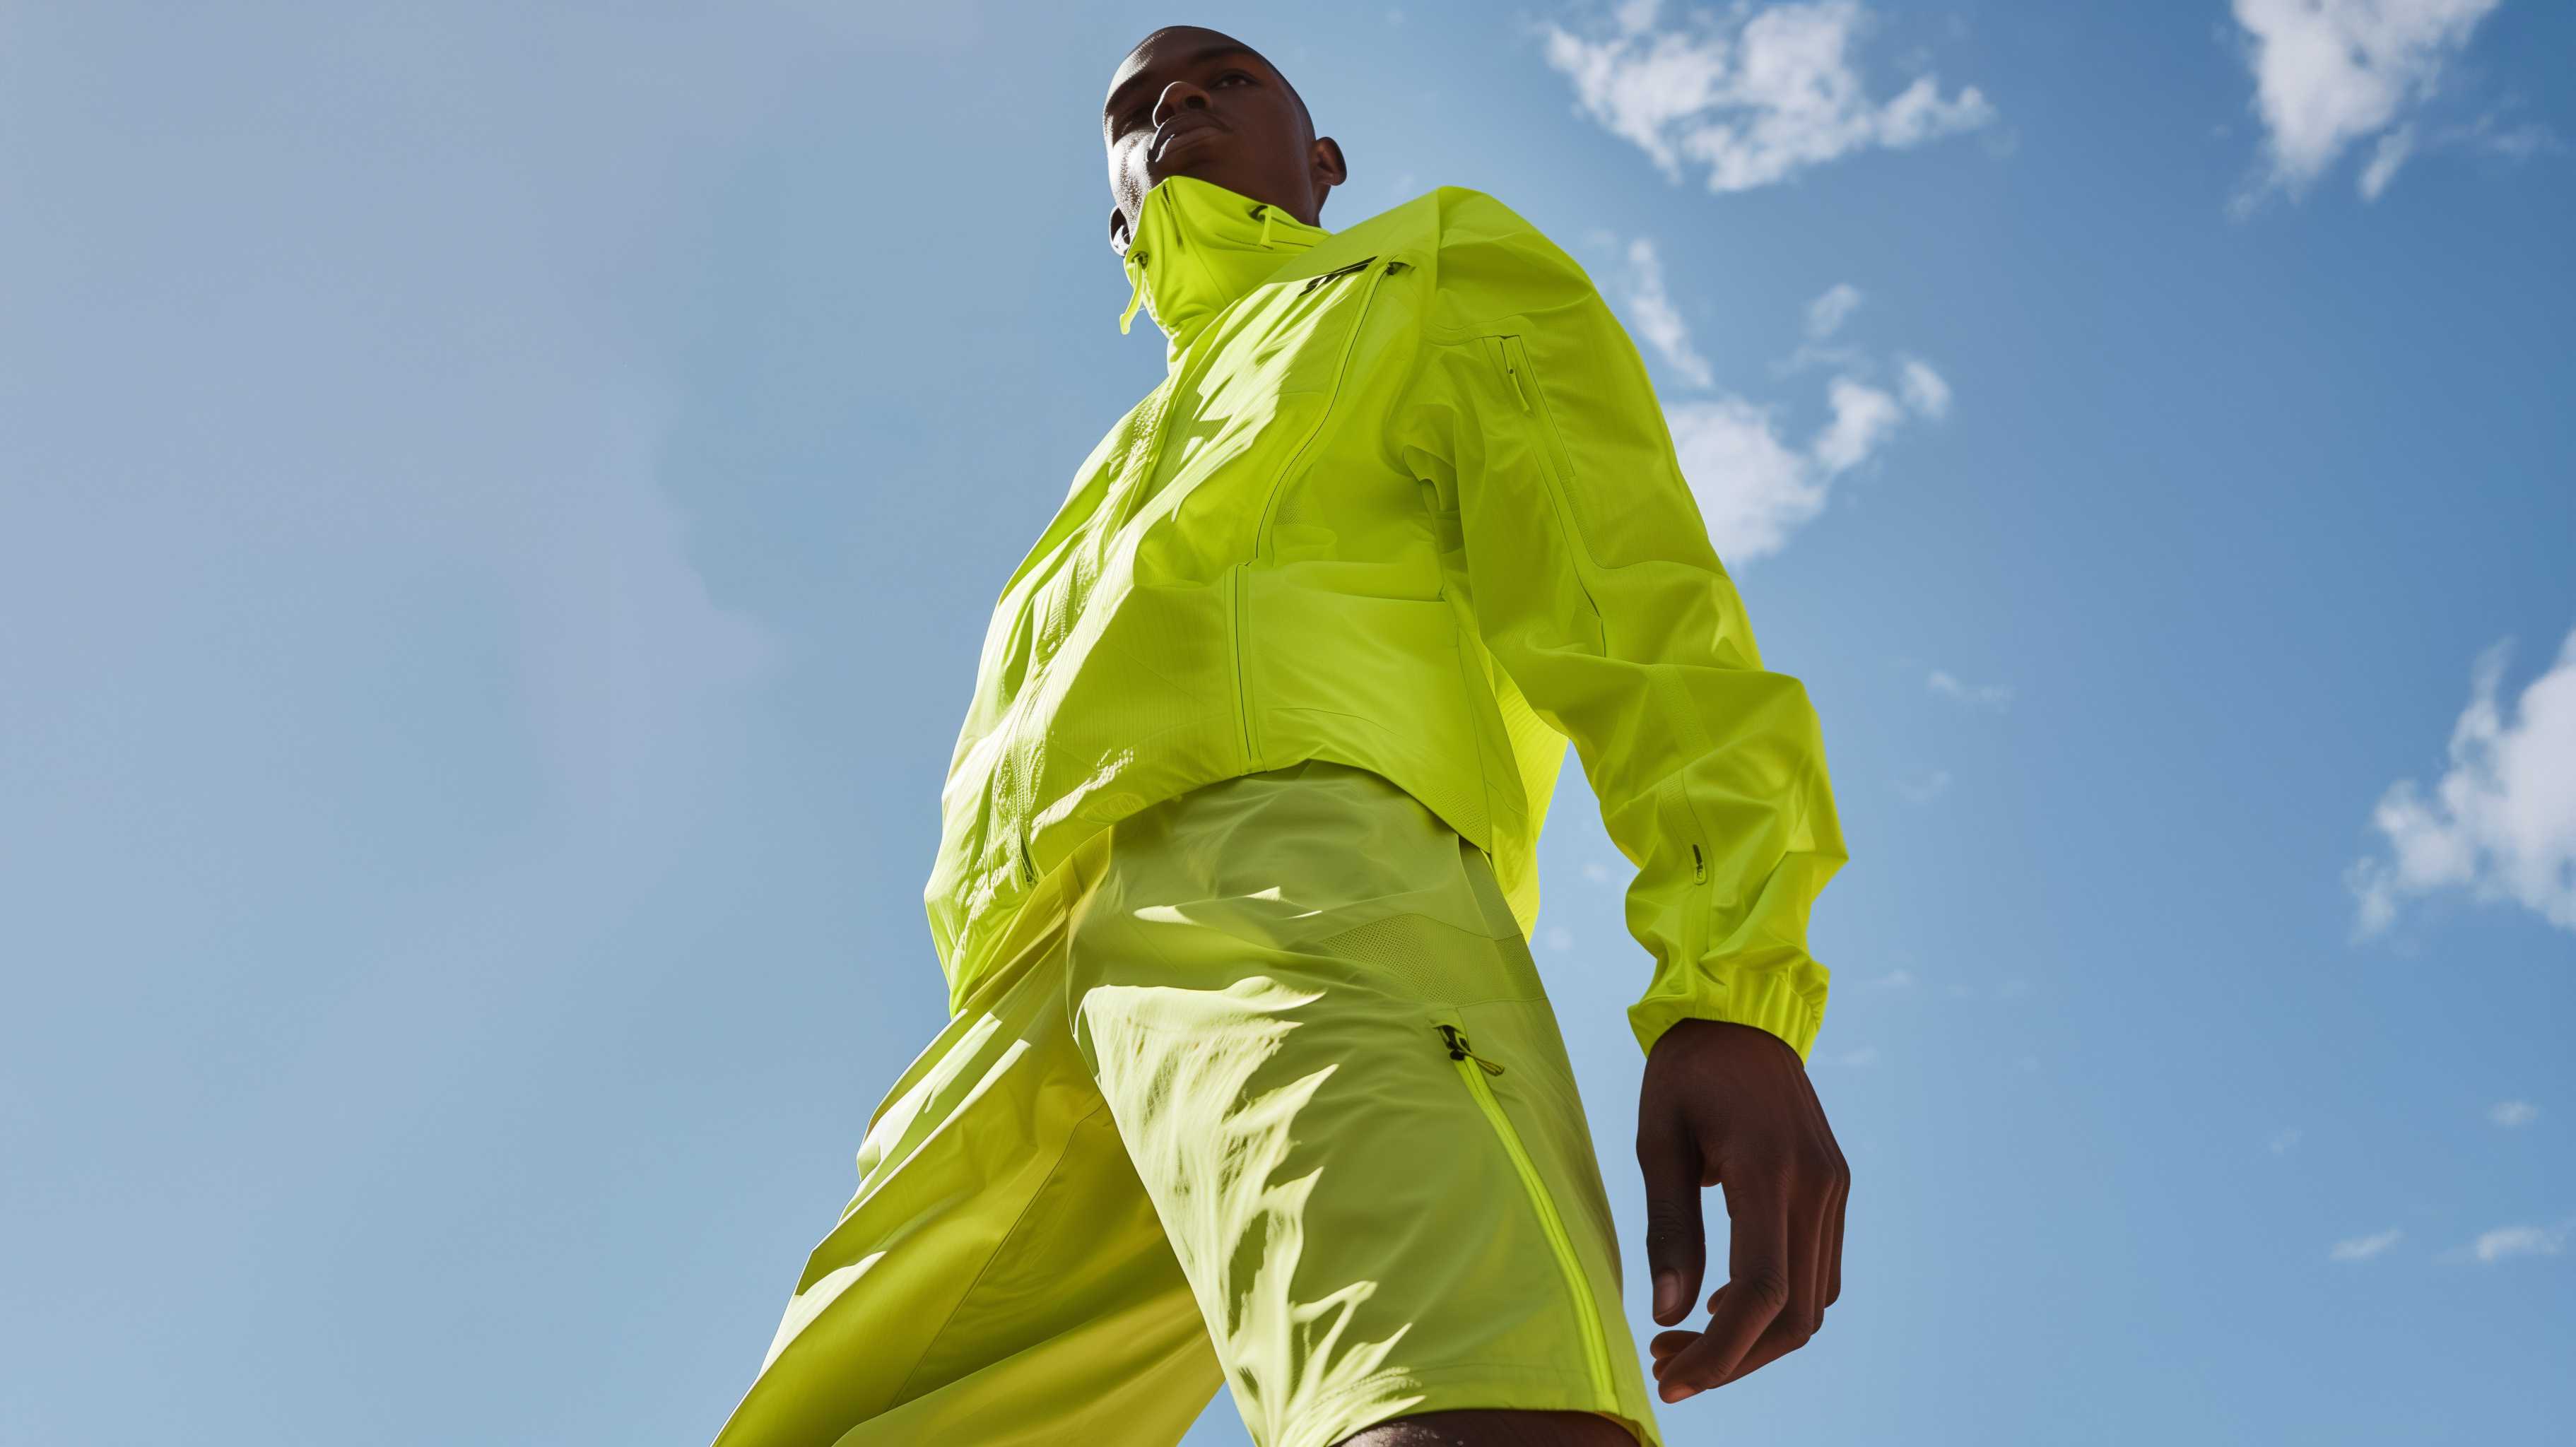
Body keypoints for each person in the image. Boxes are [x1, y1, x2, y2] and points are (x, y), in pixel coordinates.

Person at [709, 24, 1850, 1447]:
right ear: (1117, 222)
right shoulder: (1104, 473)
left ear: (1323, 163)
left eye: (1225, 80)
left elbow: (1631, 600)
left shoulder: (1425, 272)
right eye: (1133, 108)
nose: (1176, 99)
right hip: (1017, 1010)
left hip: (1307, 888)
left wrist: (1730, 987)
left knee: (1443, 1398)